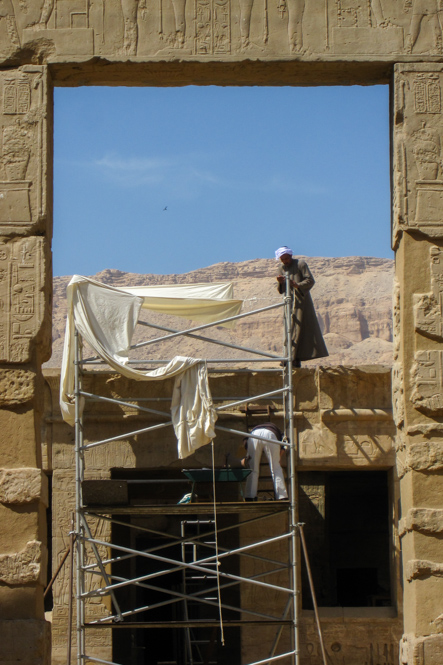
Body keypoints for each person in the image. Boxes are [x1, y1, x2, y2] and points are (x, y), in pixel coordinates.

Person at [276, 246, 328, 367]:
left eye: (286, 258)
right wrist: (280, 282)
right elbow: (281, 289)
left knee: (298, 327)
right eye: (282, 259)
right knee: (289, 328)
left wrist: (297, 285)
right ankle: (290, 357)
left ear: (290, 256)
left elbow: (310, 280)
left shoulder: (300, 264)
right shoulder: (281, 268)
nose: (285, 261)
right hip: (288, 302)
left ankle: (292, 357)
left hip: (301, 301)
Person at [244, 423, 288, 501]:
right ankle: (282, 496)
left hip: (253, 434)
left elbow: (245, 443)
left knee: (253, 469)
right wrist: (278, 457)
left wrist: (248, 456)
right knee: (276, 468)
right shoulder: (281, 435)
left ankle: (249, 496)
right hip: (270, 434)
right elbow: (285, 444)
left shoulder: (255, 428)